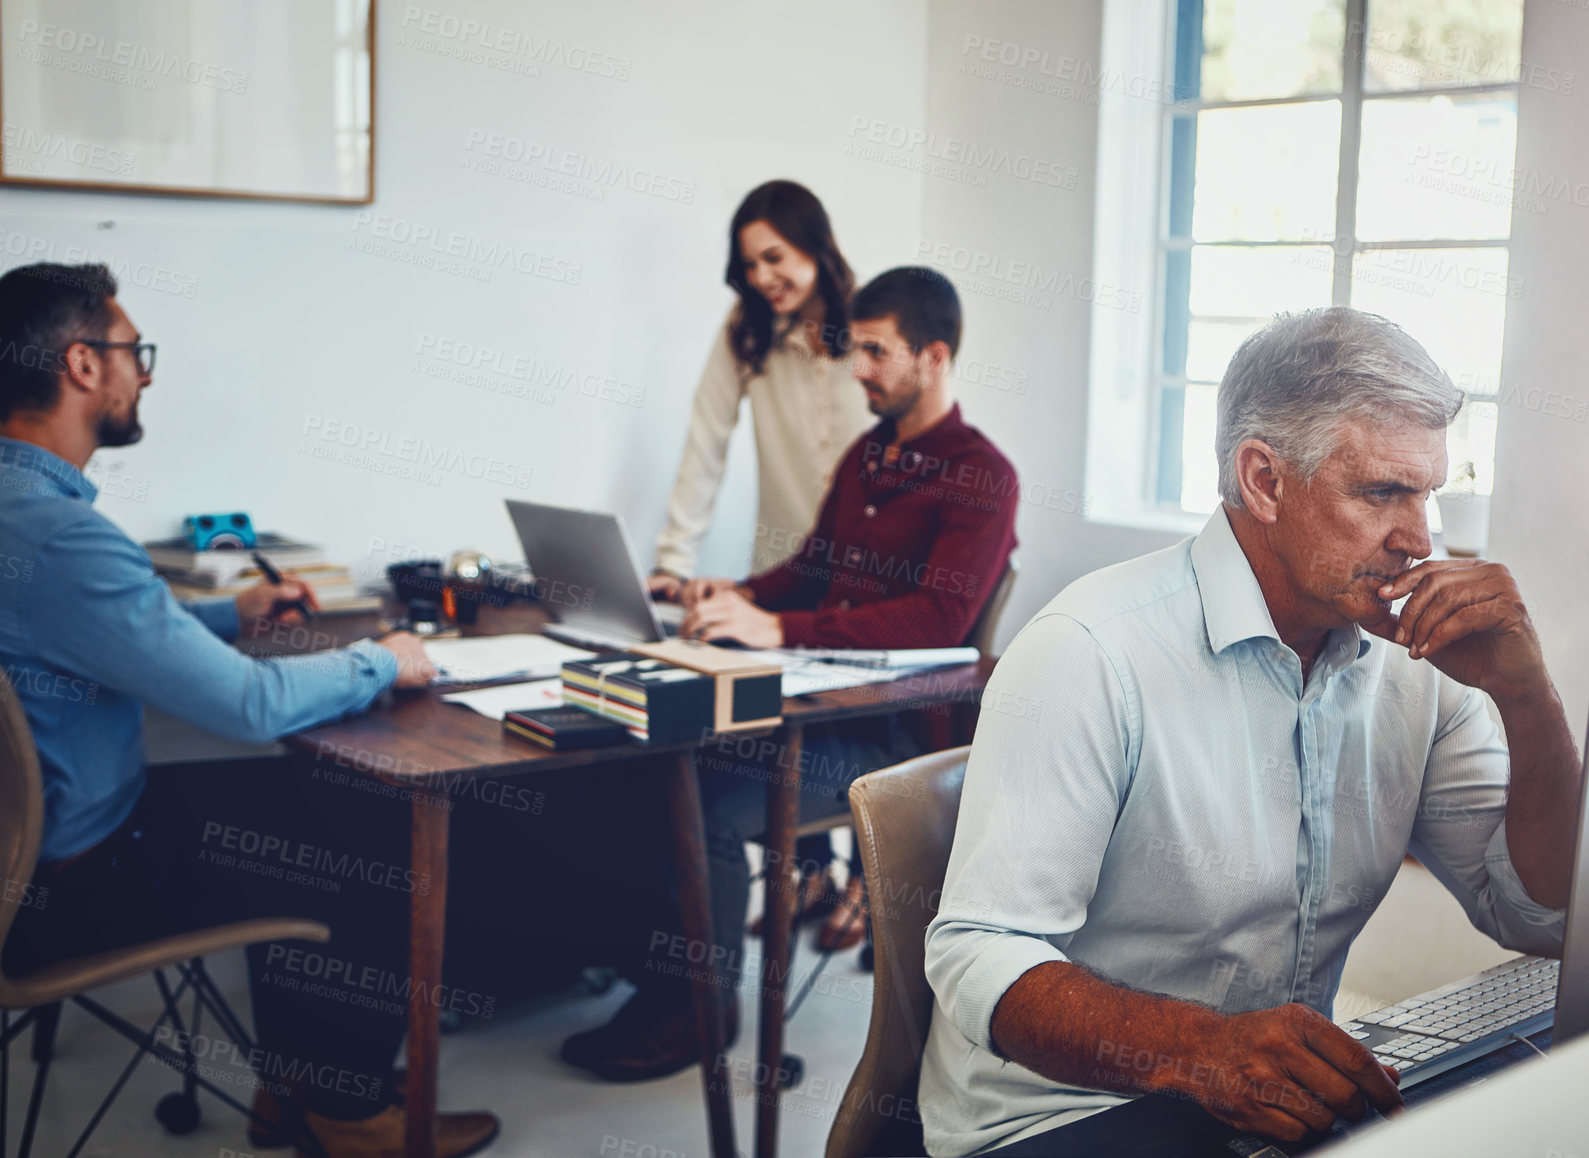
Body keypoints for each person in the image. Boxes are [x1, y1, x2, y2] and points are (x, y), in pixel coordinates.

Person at [918, 307, 1581, 1156]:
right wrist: (1201, 1052)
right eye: (1382, 492)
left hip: (1266, 1114)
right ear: (1263, 481)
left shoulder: (1420, 661)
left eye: (1427, 494)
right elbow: (979, 953)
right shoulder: (1088, 653)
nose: (1419, 539)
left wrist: (1529, 702)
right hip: (1058, 1119)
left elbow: (1538, 917)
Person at [0, 263, 499, 1158]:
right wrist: (377, 658)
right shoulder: (61, 535)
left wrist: (229, 615)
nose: (143, 373)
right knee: (373, 831)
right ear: (81, 364)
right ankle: (349, 1117)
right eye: (131, 352)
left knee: (300, 805)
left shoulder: (19, 515)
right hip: (76, 884)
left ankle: (294, 1089)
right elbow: (247, 703)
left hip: (32, 862)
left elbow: (83, 629)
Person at [560, 267, 1019, 1081]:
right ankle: (659, 983)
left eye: (877, 351)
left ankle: (697, 1016)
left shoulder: (982, 475)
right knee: (648, 763)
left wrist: (772, 626)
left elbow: (936, 623)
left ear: (934, 356)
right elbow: (811, 570)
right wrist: (730, 594)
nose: (859, 369)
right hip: (814, 710)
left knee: (698, 796)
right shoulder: (868, 455)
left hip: (894, 740)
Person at [648, 179, 876, 928]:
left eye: (773, 257)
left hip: (871, 568)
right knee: (786, 711)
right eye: (748, 265)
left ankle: (869, 880)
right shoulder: (745, 331)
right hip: (786, 562)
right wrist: (673, 560)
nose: (761, 277)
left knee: (854, 708)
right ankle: (806, 872)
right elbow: (704, 441)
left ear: (815, 245)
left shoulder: (871, 325)